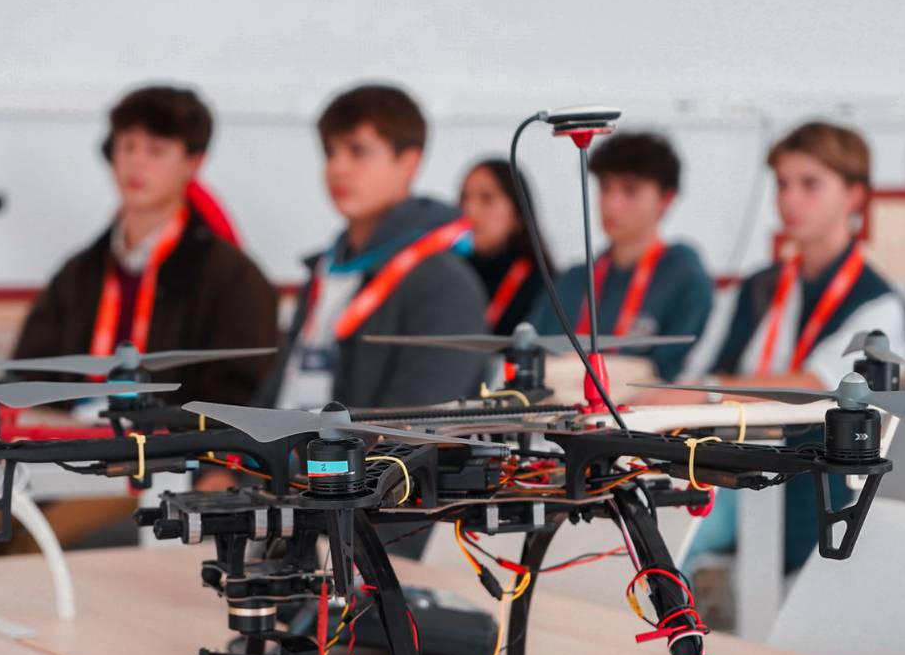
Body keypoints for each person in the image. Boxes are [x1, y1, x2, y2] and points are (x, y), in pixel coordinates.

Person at [693, 120, 905, 575]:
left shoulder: (879, 307)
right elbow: (706, 368)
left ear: (855, 196)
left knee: (659, 530)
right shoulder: (758, 285)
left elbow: (816, 388)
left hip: (805, 490)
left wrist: (707, 390)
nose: (789, 199)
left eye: (809, 184)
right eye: (783, 184)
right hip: (729, 468)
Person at [11, 85, 278, 406]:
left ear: (192, 162)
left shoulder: (234, 278)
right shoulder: (79, 273)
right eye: (127, 145)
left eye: (156, 149)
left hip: (175, 452)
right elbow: (25, 375)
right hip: (73, 446)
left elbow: (239, 395)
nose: (136, 161)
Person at [260, 83, 489, 412]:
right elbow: (278, 393)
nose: (338, 168)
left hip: (351, 462)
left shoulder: (443, 284)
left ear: (409, 163)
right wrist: (229, 457)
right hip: (285, 458)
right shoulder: (325, 268)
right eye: (330, 152)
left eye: (357, 151)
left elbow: (413, 426)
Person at [529, 132, 713, 381]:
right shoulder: (574, 280)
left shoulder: (684, 276)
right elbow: (531, 352)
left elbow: (674, 370)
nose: (611, 204)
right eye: (605, 187)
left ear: (665, 199)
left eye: (630, 190)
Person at [458, 158, 551, 336]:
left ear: (519, 214)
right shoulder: (449, 274)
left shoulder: (543, 287)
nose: (470, 210)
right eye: (464, 198)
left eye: (487, 199)